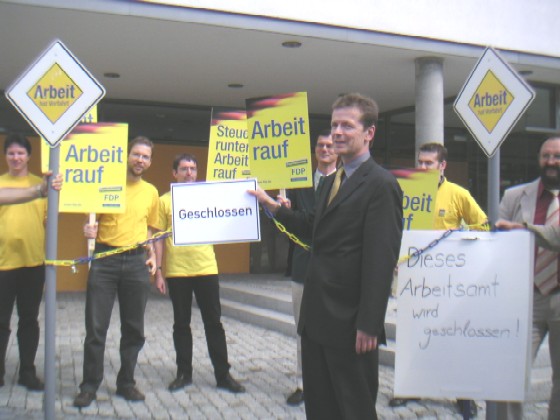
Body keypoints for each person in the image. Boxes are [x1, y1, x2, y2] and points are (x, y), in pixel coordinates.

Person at [250, 92, 403, 419]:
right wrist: (272, 206)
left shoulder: (381, 184)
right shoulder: (332, 180)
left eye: (347, 125)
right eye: (335, 124)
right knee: (320, 408)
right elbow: (312, 226)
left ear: (369, 133)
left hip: (351, 326)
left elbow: (380, 260)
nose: (337, 132)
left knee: (354, 409)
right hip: (316, 318)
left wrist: (369, 324)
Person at [389, 142, 488, 417]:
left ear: (442, 165)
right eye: (420, 162)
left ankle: (463, 394)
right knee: (412, 336)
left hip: (448, 279)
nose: (422, 167)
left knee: (455, 335)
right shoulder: (405, 191)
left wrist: (462, 237)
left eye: (428, 163)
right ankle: (411, 387)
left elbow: (483, 225)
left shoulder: (458, 194)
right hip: (412, 276)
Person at [73, 136, 159, 408]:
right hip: (105, 260)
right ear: (127, 155)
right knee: (96, 328)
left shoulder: (151, 192)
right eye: (136, 154)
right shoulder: (106, 186)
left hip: (136, 262)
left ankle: (126, 383)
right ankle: (89, 386)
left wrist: (153, 256)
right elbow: (91, 222)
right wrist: (88, 230)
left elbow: (150, 229)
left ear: (150, 161)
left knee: (133, 328)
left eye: (145, 156)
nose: (140, 160)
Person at [154, 153, 245, 394]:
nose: (189, 173)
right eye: (183, 169)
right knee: (181, 324)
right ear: (174, 173)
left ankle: (223, 374)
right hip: (177, 270)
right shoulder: (164, 201)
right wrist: (159, 271)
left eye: (193, 169)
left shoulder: (208, 198)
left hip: (206, 268)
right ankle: (184, 373)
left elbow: (231, 213)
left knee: (213, 323)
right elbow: (158, 240)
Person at [495, 136, 560, 420]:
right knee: (509, 375)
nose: (551, 162)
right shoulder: (514, 196)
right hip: (524, 299)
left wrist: (522, 228)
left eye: (556, 156)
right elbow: (496, 241)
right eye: (546, 156)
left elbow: (555, 237)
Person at [284, 129, 337, 406]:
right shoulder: (299, 183)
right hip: (303, 268)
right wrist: (282, 209)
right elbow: (289, 223)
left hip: (336, 271)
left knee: (335, 329)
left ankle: (331, 381)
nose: (325, 149)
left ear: (337, 151)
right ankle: (303, 384)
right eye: (320, 145)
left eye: (330, 145)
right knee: (302, 330)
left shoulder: (348, 181)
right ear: (314, 150)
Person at [0, 133, 55, 391]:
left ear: (29, 156)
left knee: (29, 321)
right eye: (11, 153)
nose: (15, 157)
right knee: (1, 322)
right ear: (5, 156)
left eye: (20, 153)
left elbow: (49, 221)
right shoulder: (3, 184)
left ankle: (27, 372)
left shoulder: (44, 187)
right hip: (2, 265)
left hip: (33, 264)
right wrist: (39, 190)